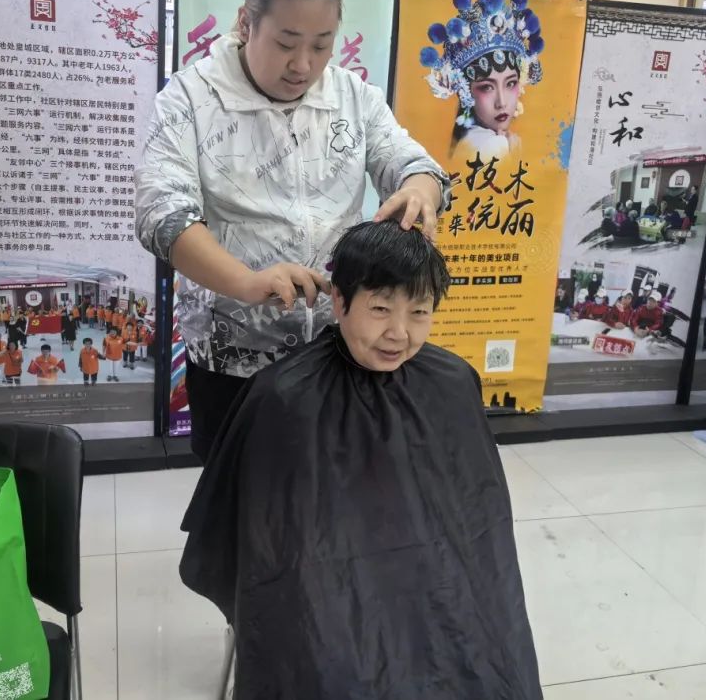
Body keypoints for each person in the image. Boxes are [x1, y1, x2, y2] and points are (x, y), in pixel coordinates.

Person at [180, 221, 543, 698]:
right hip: (321, 588)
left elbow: (480, 525)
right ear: (340, 301)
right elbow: (263, 546)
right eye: (379, 309)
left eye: (419, 312)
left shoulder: (453, 382)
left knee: (481, 657)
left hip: (438, 582)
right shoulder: (283, 398)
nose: (399, 333)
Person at [135, 0, 449, 462]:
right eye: (286, 43)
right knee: (242, 490)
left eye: (322, 45)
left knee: (334, 482)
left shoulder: (352, 96)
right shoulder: (190, 99)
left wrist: (419, 188)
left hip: (338, 348)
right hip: (234, 357)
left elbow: (412, 163)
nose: (304, 65)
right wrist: (248, 282)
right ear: (246, 23)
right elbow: (162, 217)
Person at [417, 0, 543, 168]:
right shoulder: (493, 145)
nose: (501, 103)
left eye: (510, 83)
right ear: (466, 91)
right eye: (487, 87)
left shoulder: (470, 139)